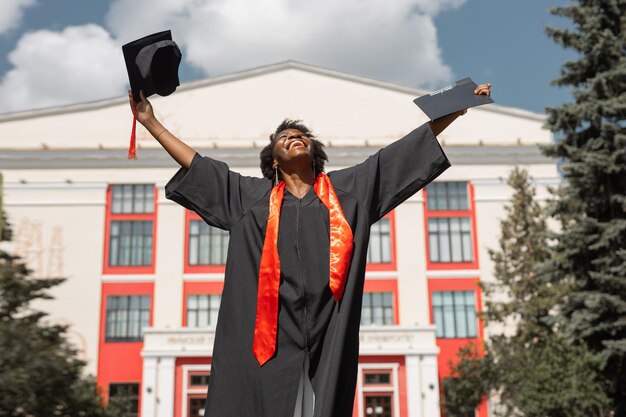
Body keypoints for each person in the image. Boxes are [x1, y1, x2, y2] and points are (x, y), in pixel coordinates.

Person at [128, 83, 491, 417]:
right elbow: (199, 166)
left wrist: (455, 110)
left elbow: (398, 156)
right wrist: (150, 122)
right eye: (284, 137)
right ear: (273, 159)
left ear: (314, 151)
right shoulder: (251, 199)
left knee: (324, 400)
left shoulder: (349, 190)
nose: (294, 138)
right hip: (268, 327)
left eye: (301, 135)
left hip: (328, 321)